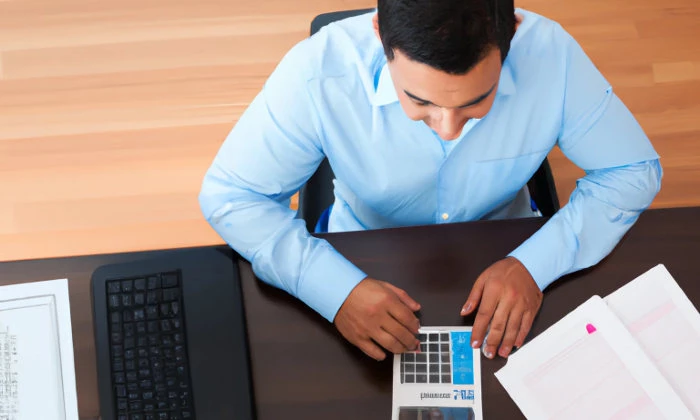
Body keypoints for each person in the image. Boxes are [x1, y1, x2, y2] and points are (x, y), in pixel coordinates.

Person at [198, 0, 661, 361]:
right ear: (379, 31)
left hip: (508, 250)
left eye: (477, 101)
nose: (448, 128)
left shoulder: (553, 55)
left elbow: (632, 170)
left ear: (513, 32)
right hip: (362, 251)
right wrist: (331, 289)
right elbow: (232, 197)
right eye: (419, 101)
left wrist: (535, 263)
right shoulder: (317, 71)